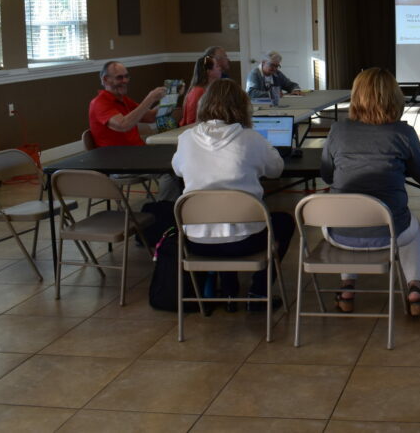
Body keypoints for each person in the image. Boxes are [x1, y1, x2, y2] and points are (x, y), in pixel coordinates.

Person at [171, 79, 295, 310]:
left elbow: (178, 169)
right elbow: (276, 170)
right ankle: (258, 292)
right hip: (245, 242)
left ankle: (229, 289)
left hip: (196, 242)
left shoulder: (186, 139)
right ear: (242, 106)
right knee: (284, 222)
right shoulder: (251, 139)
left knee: (217, 216)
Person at [320, 67, 420, 316]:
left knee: (350, 212)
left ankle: (348, 287)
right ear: (395, 98)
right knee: (411, 228)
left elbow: (327, 175)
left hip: (339, 234)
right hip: (390, 234)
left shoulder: (337, 131)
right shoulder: (403, 133)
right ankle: (415, 289)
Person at [87, 61, 180, 201]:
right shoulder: (99, 103)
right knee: (170, 171)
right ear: (106, 79)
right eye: (119, 77)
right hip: (118, 163)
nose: (125, 81)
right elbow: (123, 125)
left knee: (180, 159)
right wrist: (150, 98)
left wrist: (171, 97)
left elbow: (149, 117)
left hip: (137, 155)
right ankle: (164, 212)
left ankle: (177, 207)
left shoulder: (122, 100)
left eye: (126, 76)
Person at [180, 55, 220, 126]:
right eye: (217, 66)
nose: (220, 68)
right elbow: (191, 121)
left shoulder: (211, 89)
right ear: (209, 72)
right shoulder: (198, 92)